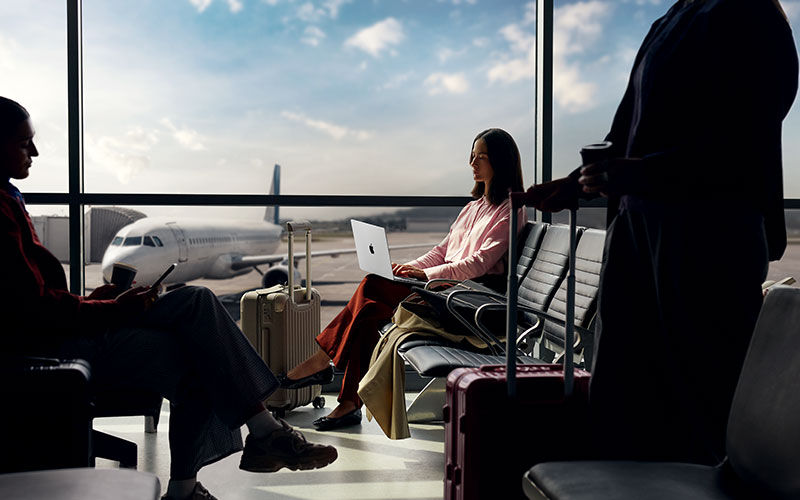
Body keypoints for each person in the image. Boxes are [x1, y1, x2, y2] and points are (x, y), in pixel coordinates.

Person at [0, 96, 338, 500]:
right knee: (198, 334)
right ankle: (243, 448)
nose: (35, 152)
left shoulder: (8, 197)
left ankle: (216, 467)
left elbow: (28, 296)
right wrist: (110, 308)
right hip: (47, 350)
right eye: (23, 143)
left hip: (55, 334)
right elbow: (32, 309)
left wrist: (96, 300)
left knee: (197, 319)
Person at [524, 0, 798, 464]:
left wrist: (637, 174)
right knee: (626, 394)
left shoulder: (748, 15)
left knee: (700, 402)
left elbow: (742, 144)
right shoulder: (676, 19)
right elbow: (625, 135)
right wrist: (576, 184)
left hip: (705, 238)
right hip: (641, 233)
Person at [280, 128, 526, 431]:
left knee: (372, 286)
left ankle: (322, 363)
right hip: (443, 288)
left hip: (466, 300)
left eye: (482, 157)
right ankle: (346, 402)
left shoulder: (510, 209)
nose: (472, 163)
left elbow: (479, 263)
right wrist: (407, 269)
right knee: (370, 308)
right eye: (472, 156)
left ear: (501, 162)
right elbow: (442, 251)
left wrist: (426, 276)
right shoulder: (473, 207)